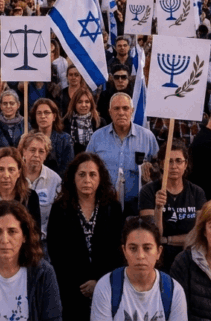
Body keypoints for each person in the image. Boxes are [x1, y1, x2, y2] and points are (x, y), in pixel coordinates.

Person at [47, 152, 125, 315]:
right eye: (81, 174)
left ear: (100, 178)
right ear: (73, 177)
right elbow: (56, 252)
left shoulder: (113, 208)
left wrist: (99, 282)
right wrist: (81, 285)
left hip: (106, 288)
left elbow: (118, 250)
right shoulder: (60, 209)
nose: (87, 180)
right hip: (71, 291)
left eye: (92, 174)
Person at [90, 216, 188, 321]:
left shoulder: (174, 291)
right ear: (124, 251)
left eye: (147, 248)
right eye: (133, 248)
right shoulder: (106, 286)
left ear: (158, 252)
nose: (140, 255)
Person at [139, 140, 207, 271]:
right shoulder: (149, 192)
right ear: (161, 164)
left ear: (186, 164)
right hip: (159, 260)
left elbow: (199, 235)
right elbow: (154, 236)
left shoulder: (197, 193)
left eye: (178, 161)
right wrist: (158, 209)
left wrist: (168, 240)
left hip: (191, 259)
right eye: (169, 161)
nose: (174, 166)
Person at [86, 93, 158, 216]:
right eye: (116, 108)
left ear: (132, 111)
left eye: (125, 108)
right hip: (104, 205)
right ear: (110, 112)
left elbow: (158, 168)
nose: (121, 112)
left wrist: (151, 170)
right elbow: (86, 167)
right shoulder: (97, 137)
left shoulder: (147, 137)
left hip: (137, 206)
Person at [19, 132, 61, 248]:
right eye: (32, 150)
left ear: (46, 154)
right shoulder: (14, 176)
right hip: (16, 240)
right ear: (24, 151)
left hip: (44, 242)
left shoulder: (55, 180)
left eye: (41, 151)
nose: (36, 155)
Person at [29, 98, 73, 177]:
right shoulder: (28, 139)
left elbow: (67, 169)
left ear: (54, 116)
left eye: (46, 113)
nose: (42, 116)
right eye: (39, 113)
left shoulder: (65, 139)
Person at [64, 86, 105, 157]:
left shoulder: (100, 122)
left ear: (91, 104)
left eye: (87, 102)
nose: (83, 105)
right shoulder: (65, 122)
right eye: (80, 102)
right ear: (74, 104)